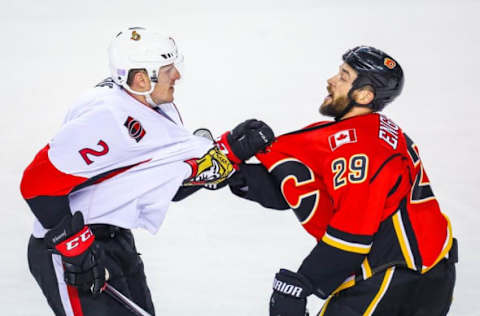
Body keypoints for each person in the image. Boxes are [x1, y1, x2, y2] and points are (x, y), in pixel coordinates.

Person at [20, 26, 274, 316]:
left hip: (115, 241)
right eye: (168, 70)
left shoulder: (156, 107)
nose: (177, 75)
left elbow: (170, 183)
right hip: (68, 251)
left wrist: (230, 152)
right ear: (142, 79)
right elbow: (36, 185)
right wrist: (77, 250)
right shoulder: (106, 119)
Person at [226, 46, 457, 315]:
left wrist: (303, 284)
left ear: (364, 94)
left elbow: (352, 236)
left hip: (399, 280)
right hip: (432, 270)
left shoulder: (361, 151)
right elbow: (306, 187)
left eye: (344, 76)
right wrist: (239, 176)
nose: (331, 80)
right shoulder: (370, 130)